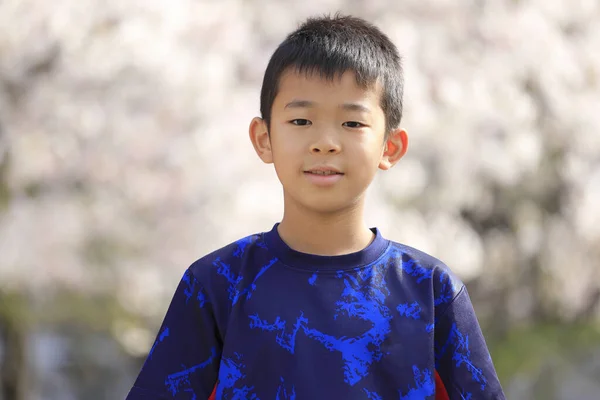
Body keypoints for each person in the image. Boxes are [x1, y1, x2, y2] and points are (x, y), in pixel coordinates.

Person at [126, 14, 505, 400]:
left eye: (352, 124)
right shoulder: (217, 283)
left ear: (390, 147)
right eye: (301, 119)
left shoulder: (430, 289)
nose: (325, 142)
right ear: (264, 138)